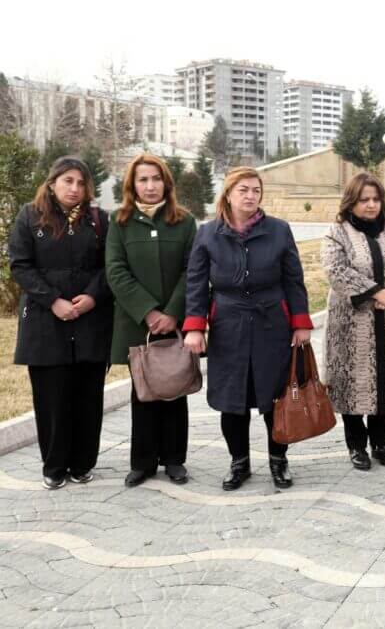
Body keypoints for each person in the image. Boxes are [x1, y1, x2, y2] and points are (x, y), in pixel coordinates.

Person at [183, 167, 312, 491]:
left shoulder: (279, 230)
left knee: (275, 398)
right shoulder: (208, 233)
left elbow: (294, 280)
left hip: (272, 326)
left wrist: (300, 322)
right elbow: (196, 283)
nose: (251, 196)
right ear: (228, 194)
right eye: (243, 190)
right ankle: (239, 462)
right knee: (232, 400)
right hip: (228, 326)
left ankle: (278, 460)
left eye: (256, 190)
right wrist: (195, 327)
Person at [9, 157, 113, 489]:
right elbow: (20, 265)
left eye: (81, 183)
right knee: (51, 398)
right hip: (45, 321)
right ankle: (54, 467)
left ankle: (83, 464)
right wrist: (53, 300)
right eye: (68, 181)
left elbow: (111, 266)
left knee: (88, 398)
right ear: (52, 182)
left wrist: (93, 296)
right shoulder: (30, 216)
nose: (74, 188)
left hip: (90, 321)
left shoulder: (99, 220)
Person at [106, 154, 197, 487]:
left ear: (166, 183)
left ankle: (174, 460)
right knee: (143, 392)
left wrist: (172, 311)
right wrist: (148, 311)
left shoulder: (184, 221)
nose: (150, 185)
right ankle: (142, 462)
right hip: (137, 324)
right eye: (142, 179)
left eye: (156, 179)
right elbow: (115, 270)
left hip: (174, 323)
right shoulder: (119, 221)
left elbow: (192, 270)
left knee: (175, 388)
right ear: (132, 185)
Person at [322, 173, 385, 469]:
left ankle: (380, 442)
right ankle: (356, 445)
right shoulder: (337, 232)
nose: (371, 205)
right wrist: (376, 293)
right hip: (351, 325)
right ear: (352, 201)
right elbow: (335, 269)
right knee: (353, 383)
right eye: (364, 200)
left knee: (384, 381)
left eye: (376, 199)